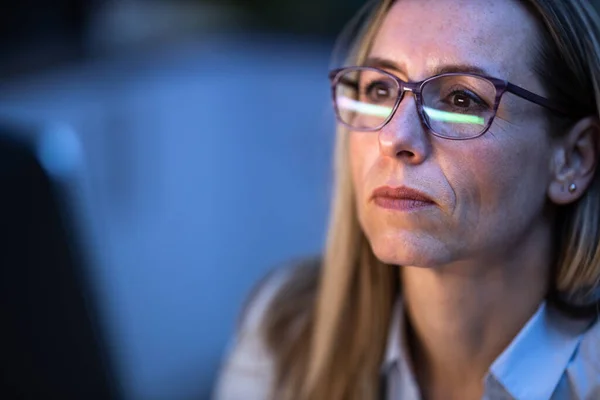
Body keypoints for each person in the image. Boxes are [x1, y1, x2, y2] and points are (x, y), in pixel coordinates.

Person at [214, 0, 600, 399]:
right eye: (380, 90)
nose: (394, 138)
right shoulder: (286, 332)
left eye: (462, 99)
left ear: (573, 159)